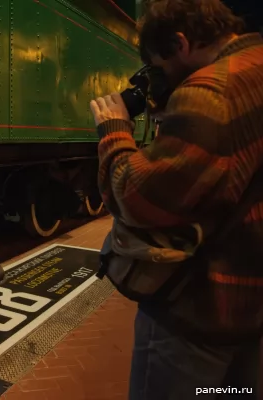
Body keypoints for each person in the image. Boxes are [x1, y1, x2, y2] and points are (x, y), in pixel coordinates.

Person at [89, 0, 263, 399]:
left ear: (180, 43)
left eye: (159, 66)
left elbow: (140, 200)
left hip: (198, 314)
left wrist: (114, 131)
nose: (162, 78)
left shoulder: (211, 91)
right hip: (249, 308)